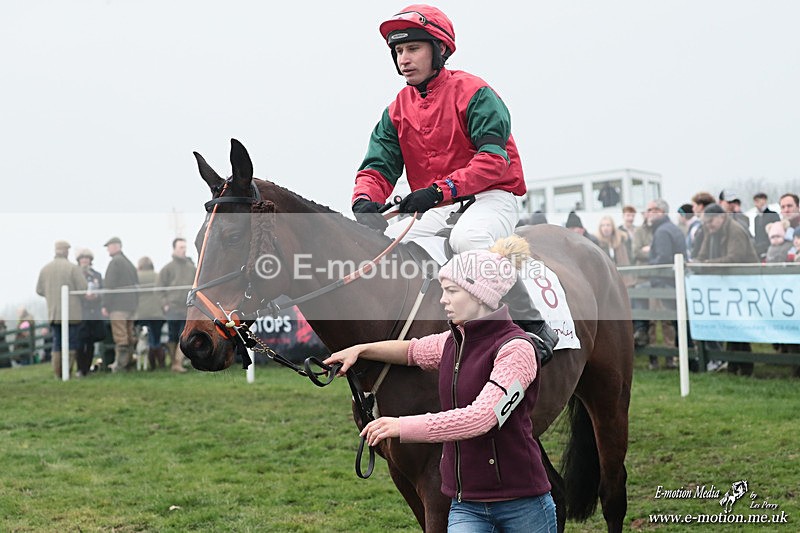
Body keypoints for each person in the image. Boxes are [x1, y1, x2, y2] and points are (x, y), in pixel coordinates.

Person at [351, 4, 558, 361]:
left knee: (468, 238)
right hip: (439, 205)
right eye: (398, 51)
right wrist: (365, 200)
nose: (404, 58)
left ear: (440, 50)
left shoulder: (475, 92)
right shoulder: (396, 110)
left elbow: (494, 160)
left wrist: (436, 191)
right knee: (390, 249)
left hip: (492, 195)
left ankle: (533, 326)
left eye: (413, 48)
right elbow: (378, 167)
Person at [324, 235, 557, 532]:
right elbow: (410, 351)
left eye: (450, 291)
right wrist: (361, 350)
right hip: (466, 504)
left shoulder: (517, 350)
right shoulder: (453, 341)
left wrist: (401, 426)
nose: (442, 299)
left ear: (478, 294)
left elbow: (482, 418)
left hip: (522, 504)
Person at [693, 204, 759, 376]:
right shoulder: (711, 231)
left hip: (744, 283)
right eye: (706, 222)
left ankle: (743, 366)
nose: (708, 225)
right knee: (732, 325)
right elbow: (702, 254)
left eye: (711, 221)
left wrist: (707, 265)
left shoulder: (736, 230)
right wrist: (696, 263)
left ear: (721, 217)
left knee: (741, 325)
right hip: (725, 284)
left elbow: (735, 258)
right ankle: (735, 365)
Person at [35, 240, 88, 378]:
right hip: (72, 313)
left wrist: (51, 295)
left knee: (57, 343)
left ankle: (57, 372)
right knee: (71, 342)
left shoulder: (45, 269)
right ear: (66, 251)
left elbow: (39, 290)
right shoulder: (72, 268)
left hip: (53, 312)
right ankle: (66, 372)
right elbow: (83, 288)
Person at [645, 199, 686, 370]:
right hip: (672, 282)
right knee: (668, 322)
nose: (648, 213)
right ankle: (671, 357)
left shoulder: (662, 232)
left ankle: (658, 359)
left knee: (656, 322)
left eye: (651, 210)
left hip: (661, 283)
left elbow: (663, 258)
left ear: (660, 211)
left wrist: (650, 267)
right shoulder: (672, 228)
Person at [158, 237, 196, 373]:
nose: (183, 250)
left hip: (187, 308)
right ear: (174, 248)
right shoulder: (167, 269)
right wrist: (165, 304)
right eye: (181, 247)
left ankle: (178, 363)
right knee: (172, 336)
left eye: (185, 247)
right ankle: (173, 362)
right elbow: (160, 289)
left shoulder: (192, 268)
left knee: (184, 336)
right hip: (172, 308)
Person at [102, 236, 139, 372]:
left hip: (118, 307)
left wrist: (105, 304)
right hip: (130, 306)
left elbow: (109, 286)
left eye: (109, 246)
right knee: (130, 336)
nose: (107, 249)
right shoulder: (128, 262)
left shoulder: (115, 263)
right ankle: (129, 363)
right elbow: (137, 284)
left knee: (121, 337)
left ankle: (121, 366)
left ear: (117, 246)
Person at [75, 248, 106, 376]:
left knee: (91, 342)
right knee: (80, 341)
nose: (85, 261)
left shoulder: (96, 275)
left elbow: (103, 291)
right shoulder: (75, 274)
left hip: (94, 312)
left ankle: (87, 368)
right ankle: (80, 368)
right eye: (82, 258)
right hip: (81, 311)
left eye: (87, 258)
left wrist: (97, 297)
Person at [136, 256, 165, 369]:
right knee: (156, 339)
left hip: (141, 313)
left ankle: (150, 365)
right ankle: (160, 364)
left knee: (145, 340)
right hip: (157, 313)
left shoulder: (137, 277)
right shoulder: (157, 276)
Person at [752, 192, 781, 260]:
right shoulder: (756, 218)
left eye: (758, 201)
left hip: (771, 248)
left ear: (764, 200)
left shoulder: (773, 215)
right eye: (755, 201)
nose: (756, 204)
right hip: (759, 250)